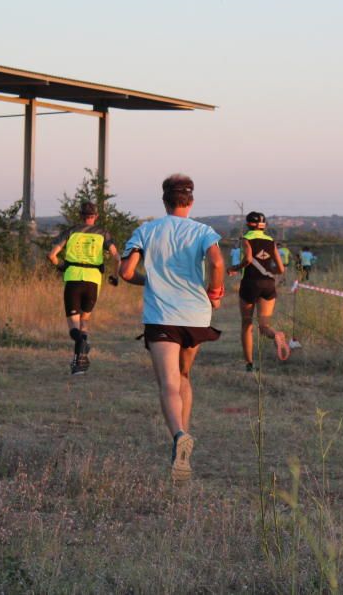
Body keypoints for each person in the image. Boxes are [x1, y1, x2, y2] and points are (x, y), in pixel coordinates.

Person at [119, 174, 225, 483]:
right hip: (195, 316)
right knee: (183, 376)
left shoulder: (146, 230)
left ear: (164, 201)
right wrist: (215, 293)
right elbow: (217, 264)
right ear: (190, 201)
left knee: (168, 383)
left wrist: (148, 279)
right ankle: (184, 436)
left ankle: (178, 435)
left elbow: (125, 272)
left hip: (161, 316)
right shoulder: (204, 231)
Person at [47, 201, 120, 375]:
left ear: (80, 215)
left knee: (73, 327)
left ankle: (82, 349)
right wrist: (115, 277)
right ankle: (79, 363)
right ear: (96, 216)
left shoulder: (71, 232)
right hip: (93, 281)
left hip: (73, 279)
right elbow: (118, 258)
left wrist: (62, 266)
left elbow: (51, 256)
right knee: (84, 322)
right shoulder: (103, 233)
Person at [227, 212, 290, 371]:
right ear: (264, 226)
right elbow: (281, 268)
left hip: (250, 284)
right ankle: (275, 334)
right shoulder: (271, 241)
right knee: (264, 327)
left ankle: (249, 363)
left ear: (248, 224)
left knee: (247, 324)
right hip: (268, 284)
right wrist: (267, 271)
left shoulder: (246, 239)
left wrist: (235, 268)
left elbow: (248, 259)